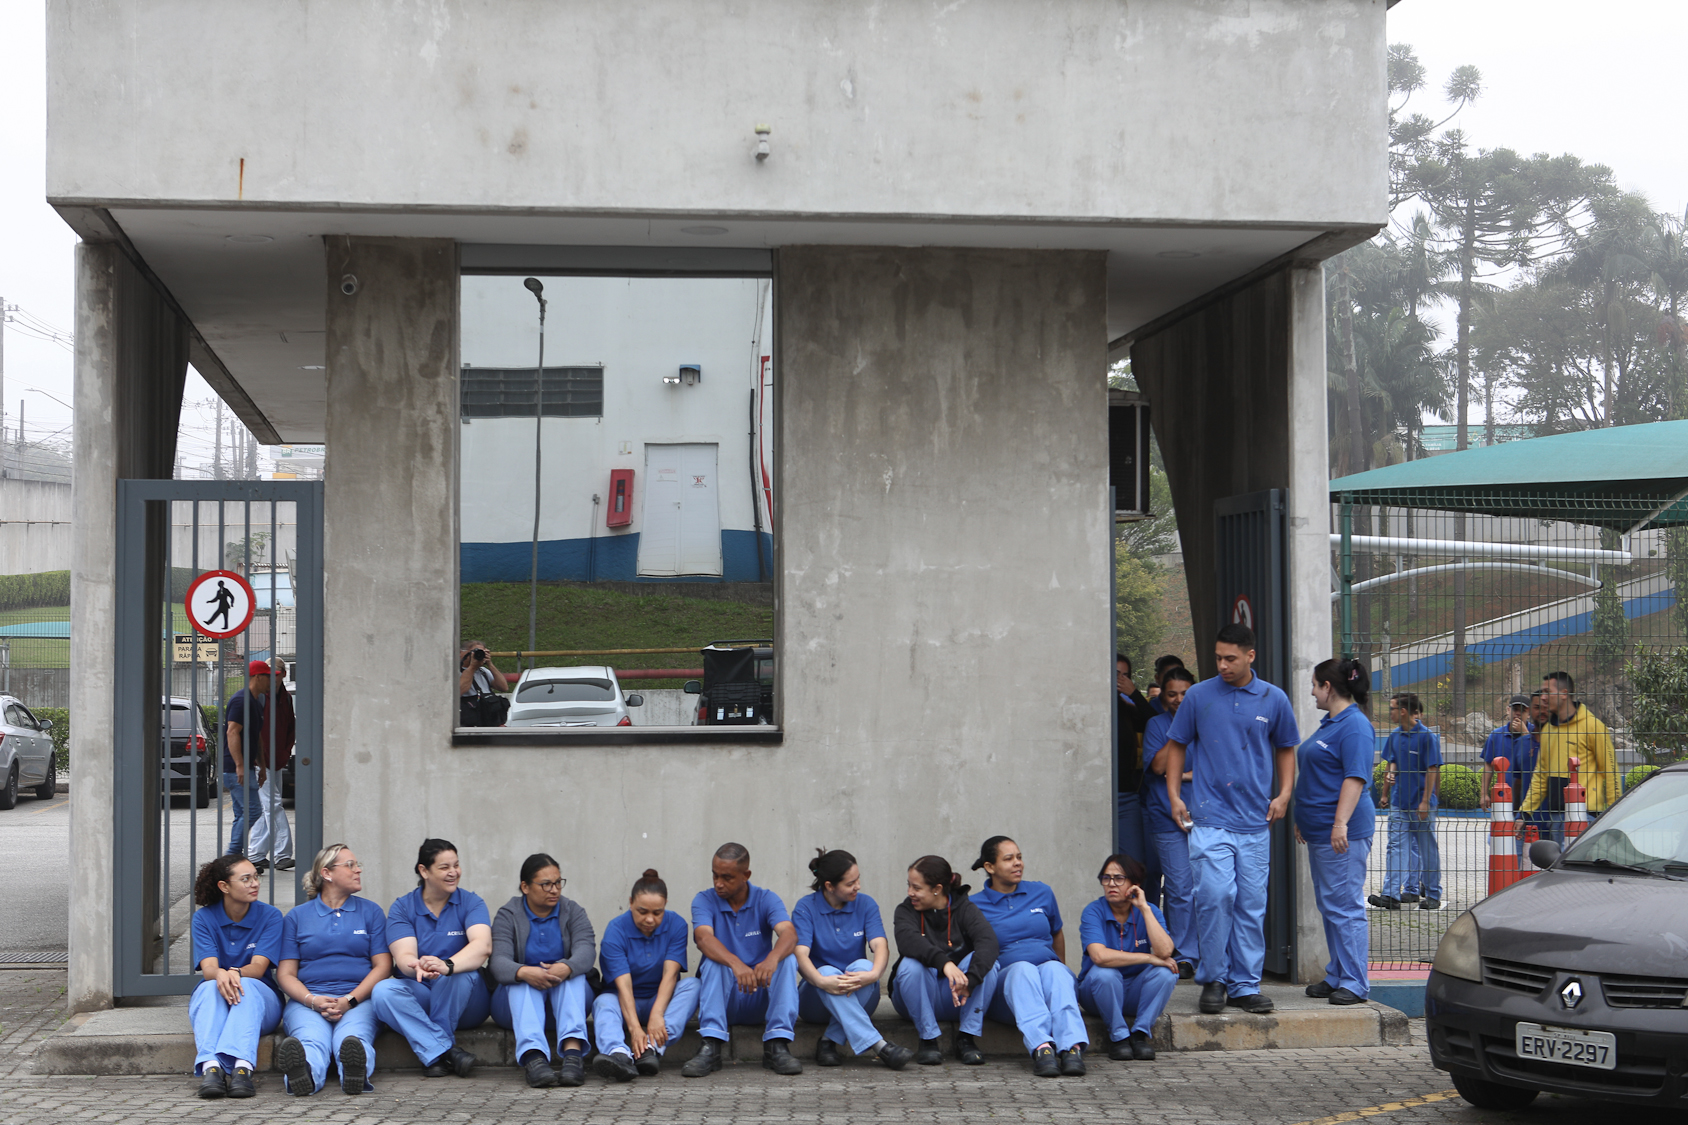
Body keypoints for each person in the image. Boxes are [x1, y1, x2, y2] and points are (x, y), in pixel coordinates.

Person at [1158, 623, 1300, 1015]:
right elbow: (1176, 745)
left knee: (1251, 905)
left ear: (1250, 656)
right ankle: (1215, 979)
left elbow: (1287, 749)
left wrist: (1284, 794)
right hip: (1209, 819)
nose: (1222, 664)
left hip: (1256, 823)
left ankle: (1244, 984)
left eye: (1230, 658)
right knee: (1216, 896)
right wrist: (1174, 796)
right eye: (1218, 657)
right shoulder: (1199, 696)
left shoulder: (1274, 699)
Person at [274, 844, 390, 1096]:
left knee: (353, 1037)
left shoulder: (371, 912)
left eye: (357, 865)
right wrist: (312, 1000)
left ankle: (354, 1071)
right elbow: (285, 974)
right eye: (350, 865)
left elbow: (383, 966)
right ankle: (303, 1074)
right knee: (310, 1038)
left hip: (360, 1000)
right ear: (327, 873)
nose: (358, 870)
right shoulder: (297, 917)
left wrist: (350, 999)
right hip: (308, 1000)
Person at [1293, 658, 1378, 1006]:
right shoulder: (1330, 723)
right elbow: (1320, 775)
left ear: (1328, 687)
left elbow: (1354, 777)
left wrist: (1339, 823)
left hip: (1343, 833)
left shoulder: (1354, 726)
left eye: (1315, 685)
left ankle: (1356, 982)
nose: (1312, 691)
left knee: (1345, 906)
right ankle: (1338, 973)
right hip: (1321, 831)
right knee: (1332, 905)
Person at [370, 839, 492, 1080]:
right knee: (383, 991)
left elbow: (483, 946)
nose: (453, 872)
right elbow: (404, 955)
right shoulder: (403, 907)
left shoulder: (471, 902)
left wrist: (447, 966)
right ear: (424, 871)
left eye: (456, 865)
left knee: (459, 973)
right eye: (445, 867)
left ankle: (433, 1051)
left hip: (467, 1002)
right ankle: (443, 1053)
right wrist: (417, 965)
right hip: (423, 995)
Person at [970, 835, 1088, 1078]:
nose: (1018, 863)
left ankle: (1071, 1048)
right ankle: (1042, 1048)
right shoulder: (974, 906)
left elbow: (1057, 933)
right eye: (1009, 859)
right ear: (990, 867)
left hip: (1045, 977)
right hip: (1007, 991)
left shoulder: (1042, 892)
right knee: (1022, 969)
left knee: (1056, 971)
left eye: (1020, 857)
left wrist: (1061, 971)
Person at [683, 842, 802, 1078]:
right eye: (715, 875)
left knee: (786, 960)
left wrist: (772, 958)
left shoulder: (766, 899)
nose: (718, 883)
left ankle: (777, 1044)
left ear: (746, 875)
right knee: (714, 961)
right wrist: (735, 963)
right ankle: (711, 1045)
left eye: (727, 877)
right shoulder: (704, 900)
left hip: (760, 996)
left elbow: (790, 934)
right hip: (725, 1000)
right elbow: (703, 938)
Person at [791, 848, 914, 1070]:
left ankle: (829, 1041)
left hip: (859, 993)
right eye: (850, 883)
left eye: (858, 880)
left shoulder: (866, 904)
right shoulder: (806, 907)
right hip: (815, 998)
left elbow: (880, 945)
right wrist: (820, 981)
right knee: (827, 971)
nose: (857, 886)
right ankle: (879, 1045)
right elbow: (800, 954)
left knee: (865, 967)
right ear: (829, 886)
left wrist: (875, 974)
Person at [488, 853, 596, 1088]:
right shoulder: (508, 914)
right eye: (546, 884)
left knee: (572, 975)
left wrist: (566, 967)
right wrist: (525, 972)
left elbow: (586, 951)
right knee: (520, 981)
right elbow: (498, 962)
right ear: (525, 887)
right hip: (515, 1006)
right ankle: (534, 1058)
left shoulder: (572, 911)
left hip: (566, 1001)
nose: (554, 890)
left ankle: (573, 1056)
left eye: (558, 882)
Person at [590, 868, 701, 1081]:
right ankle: (618, 1055)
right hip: (624, 1002)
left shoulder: (676, 925)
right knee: (603, 1002)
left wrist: (657, 1015)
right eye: (642, 912)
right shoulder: (616, 929)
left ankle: (650, 1049)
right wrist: (634, 1028)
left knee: (693, 985)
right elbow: (624, 986)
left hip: (659, 999)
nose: (650, 919)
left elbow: (670, 975)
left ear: (665, 905)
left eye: (657, 913)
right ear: (630, 902)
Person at [188, 855, 284, 1099]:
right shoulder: (204, 918)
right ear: (224, 886)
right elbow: (209, 968)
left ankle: (242, 1068)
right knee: (209, 986)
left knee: (248, 985)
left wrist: (233, 973)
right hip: (218, 998)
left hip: (260, 1002)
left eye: (256, 876)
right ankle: (212, 1068)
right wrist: (220, 974)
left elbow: (259, 967)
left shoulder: (270, 916)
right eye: (246, 879)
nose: (255, 883)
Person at [891, 855, 999, 1066]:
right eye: (909, 886)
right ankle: (928, 1039)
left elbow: (989, 942)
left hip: (958, 996)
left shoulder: (965, 909)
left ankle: (966, 1038)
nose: (910, 893)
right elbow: (907, 941)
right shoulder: (905, 911)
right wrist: (945, 963)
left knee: (989, 964)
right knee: (910, 965)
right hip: (915, 997)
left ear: (937, 889)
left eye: (916, 888)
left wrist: (972, 979)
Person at [1075, 853, 1177, 1061]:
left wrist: (1145, 908)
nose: (1111, 884)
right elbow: (1100, 956)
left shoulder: (1151, 911)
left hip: (1133, 993)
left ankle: (1139, 1035)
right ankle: (1119, 1038)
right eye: (1106, 878)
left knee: (1166, 972)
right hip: (1096, 993)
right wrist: (1148, 958)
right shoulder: (1093, 911)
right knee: (1105, 974)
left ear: (1134, 885)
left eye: (1119, 878)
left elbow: (1165, 952)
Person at [1142, 666, 1199, 976]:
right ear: (1163, 697)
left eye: (1186, 694)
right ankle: (1184, 953)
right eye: (1172, 694)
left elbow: (1215, 768)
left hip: (1206, 817)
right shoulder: (1156, 725)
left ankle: (1210, 952)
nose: (1179, 699)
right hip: (1166, 819)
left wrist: (1183, 776)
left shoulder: (1207, 722)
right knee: (1178, 888)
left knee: (1209, 888)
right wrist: (1180, 727)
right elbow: (1158, 767)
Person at [1521, 671, 1619, 841]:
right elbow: (1540, 775)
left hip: (1586, 817)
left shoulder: (1593, 726)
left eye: (1547, 692)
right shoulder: (1548, 730)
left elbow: (1611, 773)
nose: (1543, 698)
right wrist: (1524, 812)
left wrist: (1616, 817)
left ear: (1564, 694)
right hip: (1556, 818)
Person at [1372, 693, 1442, 911]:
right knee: (1395, 846)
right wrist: (1385, 791)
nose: (1389, 712)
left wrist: (1424, 802)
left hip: (1421, 804)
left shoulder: (1427, 737)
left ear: (1403, 711)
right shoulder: (1395, 735)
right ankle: (1391, 895)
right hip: (1399, 803)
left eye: (1392, 708)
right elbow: (1391, 762)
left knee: (1427, 848)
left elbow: (1432, 769)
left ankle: (1432, 894)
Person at [1115, 654, 1161, 904]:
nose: (1120, 680)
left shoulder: (1127, 708)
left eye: (1125, 675)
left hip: (1125, 797)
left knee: (1135, 867)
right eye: (1115, 674)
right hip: (1094, 795)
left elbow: (1154, 722)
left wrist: (1133, 694)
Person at [245, 657, 295, 874]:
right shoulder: (258, 698)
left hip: (276, 760)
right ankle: (283, 854)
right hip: (259, 761)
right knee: (273, 805)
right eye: (270, 675)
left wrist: (284, 752)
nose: (273, 679)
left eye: (278, 674)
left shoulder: (286, 698)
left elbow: (290, 727)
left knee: (267, 807)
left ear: (284, 674)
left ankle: (255, 854)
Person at [220, 661, 272, 857]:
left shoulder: (255, 701)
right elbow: (232, 732)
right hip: (235, 768)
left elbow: (256, 736)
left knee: (242, 814)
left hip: (246, 767)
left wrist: (263, 766)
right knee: (252, 812)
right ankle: (232, 855)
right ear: (257, 677)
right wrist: (240, 766)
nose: (271, 681)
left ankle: (234, 857)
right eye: (268, 676)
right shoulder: (241, 700)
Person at [1480, 694, 1539, 811]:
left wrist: (1525, 735)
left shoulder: (1536, 734)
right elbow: (1488, 765)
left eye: (1523, 711)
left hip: (1530, 796)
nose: (1518, 713)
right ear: (1508, 710)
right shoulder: (1496, 735)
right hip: (1503, 796)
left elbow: (1536, 760)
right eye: (1515, 709)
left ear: (1529, 714)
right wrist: (1483, 794)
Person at [458, 640, 510, 726]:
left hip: (488, 720)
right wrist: (472, 668)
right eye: (475, 652)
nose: (478, 654)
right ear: (461, 653)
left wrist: (489, 663)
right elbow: (460, 691)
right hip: (470, 722)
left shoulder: (483, 672)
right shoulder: (456, 672)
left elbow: (503, 687)